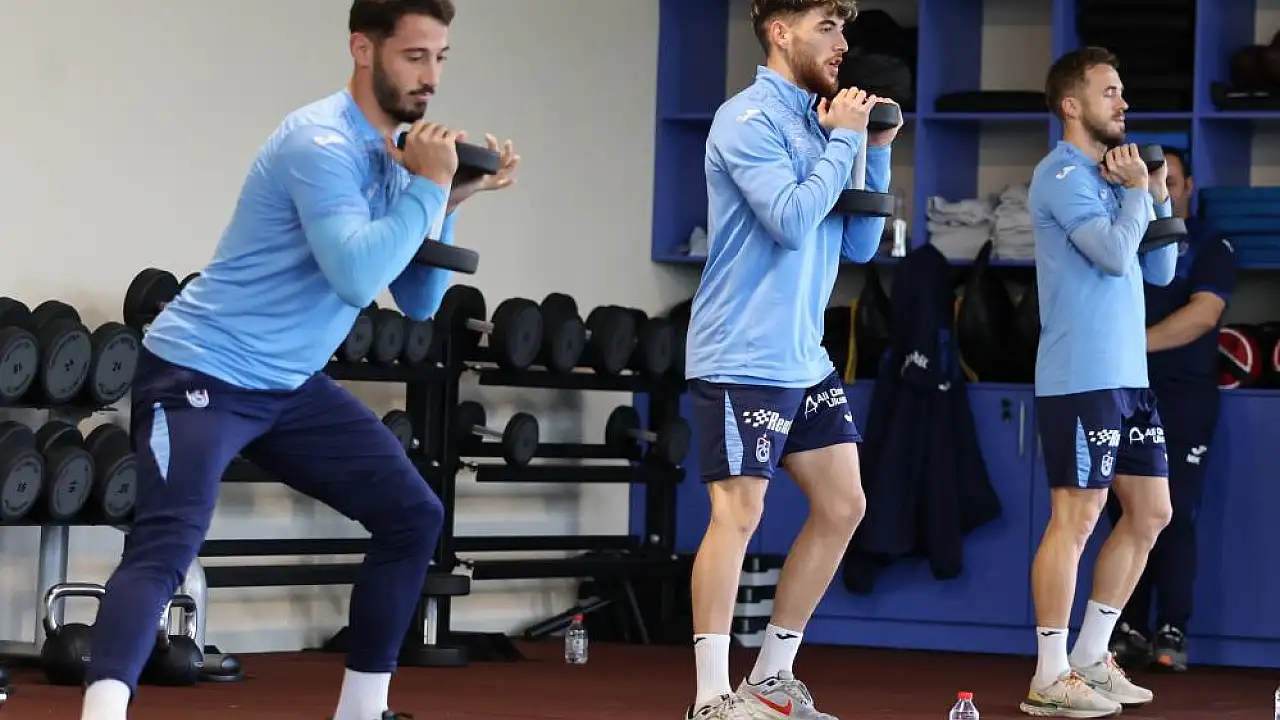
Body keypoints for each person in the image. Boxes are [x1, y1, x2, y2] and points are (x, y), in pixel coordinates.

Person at [78, 2, 519, 719]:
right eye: (414, 56)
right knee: (168, 541)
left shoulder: (401, 155)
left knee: (414, 515)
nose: (431, 76)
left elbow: (416, 299)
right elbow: (355, 275)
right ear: (363, 49)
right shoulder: (319, 142)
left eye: (440, 57)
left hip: (286, 386)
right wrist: (431, 186)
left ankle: (361, 710)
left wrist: (448, 196)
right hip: (200, 372)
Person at [682, 1, 900, 718]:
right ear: (780, 32)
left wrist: (875, 146)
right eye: (826, 28)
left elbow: (859, 248)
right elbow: (791, 219)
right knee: (739, 513)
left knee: (844, 505)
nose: (842, 44)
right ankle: (711, 697)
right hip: (741, 352)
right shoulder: (746, 119)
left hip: (803, 357)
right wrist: (845, 140)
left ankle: (771, 677)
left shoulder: (822, 121)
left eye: (843, 29)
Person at [1021, 46, 1178, 718]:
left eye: (1122, 90)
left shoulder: (1115, 179)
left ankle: (1090, 655)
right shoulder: (1061, 174)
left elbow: (1161, 271)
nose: (1123, 102)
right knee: (1078, 517)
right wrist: (1138, 193)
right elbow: (1114, 255)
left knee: (1151, 512)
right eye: (1109, 91)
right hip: (1080, 377)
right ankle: (1049, 673)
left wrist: (1157, 194)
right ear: (1071, 105)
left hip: (1128, 378)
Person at [1107, 146, 1236, 673]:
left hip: (1184, 397)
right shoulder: (1125, 235)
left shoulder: (1210, 242)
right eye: (1155, 179)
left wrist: (1128, 346)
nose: (1164, 189)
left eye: (1172, 181)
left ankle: (1172, 627)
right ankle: (1128, 627)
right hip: (1124, 393)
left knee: (1173, 512)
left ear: (1187, 188)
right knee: (1123, 512)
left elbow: (1203, 315)